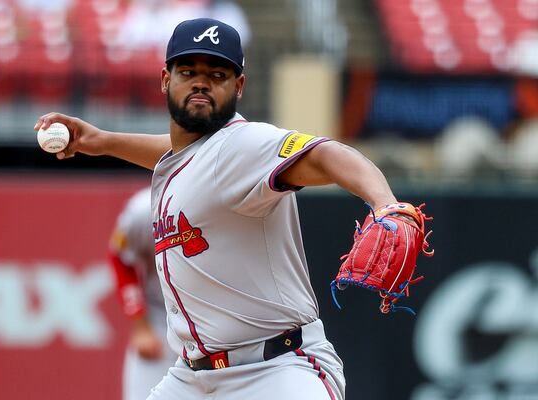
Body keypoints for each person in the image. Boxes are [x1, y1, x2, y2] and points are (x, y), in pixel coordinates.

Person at [34, 18, 408, 400]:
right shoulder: (185, 157)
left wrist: (385, 204)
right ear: (166, 79)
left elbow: (328, 154)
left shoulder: (246, 145)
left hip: (275, 370)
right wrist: (102, 140)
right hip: (193, 378)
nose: (201, 82)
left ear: (239, 86)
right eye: (188, 71)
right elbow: (179, 155)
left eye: (217, 73)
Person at [108, 187, 177, 400]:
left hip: (220, 323)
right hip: (162, 319)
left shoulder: (232, 199)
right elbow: (120, 256)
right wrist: (141, 326)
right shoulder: (145, 208)